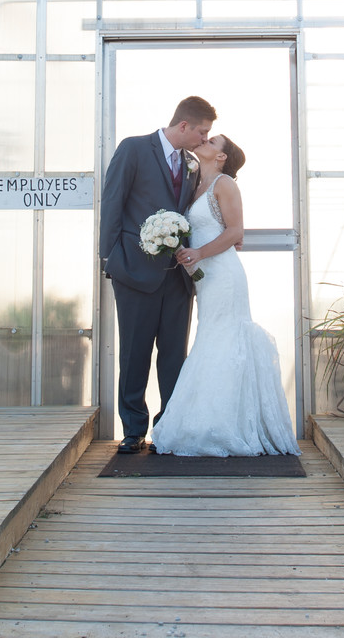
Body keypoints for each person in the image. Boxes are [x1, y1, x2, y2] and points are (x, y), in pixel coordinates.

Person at [150, 134, 300, 458]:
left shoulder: (225, 183)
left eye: (212, 141)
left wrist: (199, 253)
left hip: (225, 277)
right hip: (205, 277)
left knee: (223, 339)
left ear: (220, 158)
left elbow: (235, 232)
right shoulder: (194, 184)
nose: (204, 141)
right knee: (210, 339)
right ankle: (204, 421)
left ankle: (228, 426)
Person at [99, 96, 216, 454]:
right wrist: (110, 260)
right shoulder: (133, 150)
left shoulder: (192, 165)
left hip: (177, 279)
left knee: (173, 356)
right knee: (134, 354)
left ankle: (168, 427)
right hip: (134, 274)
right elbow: (112, 204)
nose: (203, 138)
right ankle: (133, 429)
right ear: (184, 126)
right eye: (202, 131)